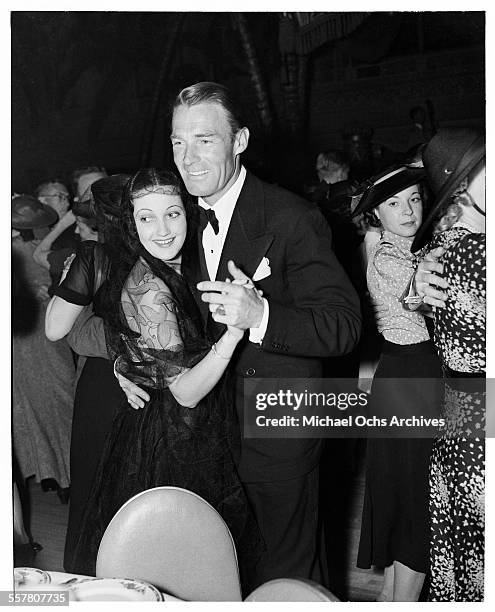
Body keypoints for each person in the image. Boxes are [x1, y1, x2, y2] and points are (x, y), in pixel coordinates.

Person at [70, 82, 362, 589]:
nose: (188, 157)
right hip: (206, 442)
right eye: (178, 142)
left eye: (205, 140)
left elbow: (345, 325)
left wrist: (262, 314)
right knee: (219, 578)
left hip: (278, 433)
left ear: (240, 140)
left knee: (287, 581)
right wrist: (131, 358)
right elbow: (130, 311)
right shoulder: (174, 214)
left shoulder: (291, 216)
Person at [65, 168, 263, 589]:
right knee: (177, 568)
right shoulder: (150, 288)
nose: (162, 229)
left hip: (177, 430)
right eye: (146, 217)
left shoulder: (172, 267)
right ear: (131, 223)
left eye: (172, 213)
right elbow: (188, 392)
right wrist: (233, 334)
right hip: (167, 439)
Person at [351, 165, 442, 601]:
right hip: (412, 381)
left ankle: (392, 600)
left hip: (409, 379)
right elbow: (437, 303)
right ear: (376, 214)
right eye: (393, 203)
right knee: (418, 510)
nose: (407, 210)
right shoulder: (389, 259)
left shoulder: (410, 247)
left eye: (414, 198)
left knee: (412, 503)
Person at [410, 128, 485, 601]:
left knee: (467, 549)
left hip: (465, 413)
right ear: (461, 189)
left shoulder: (449, 246)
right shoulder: (473, 254)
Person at [45, 175, 129, 572]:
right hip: (158, 381)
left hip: (105, 383)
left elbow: (55, 328)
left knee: (94, 483)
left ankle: (89, 580)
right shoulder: (170, 250)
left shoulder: (93, 255)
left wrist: (67, 284)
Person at [12, 195, 75, 499]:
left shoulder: (18, 251)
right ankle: (66, 475)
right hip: (45, 336)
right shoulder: (39, 249)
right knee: (60, 403)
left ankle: (56, 474)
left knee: (37, 408)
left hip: (28, 339)